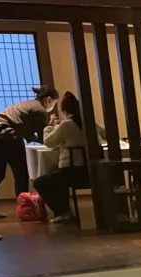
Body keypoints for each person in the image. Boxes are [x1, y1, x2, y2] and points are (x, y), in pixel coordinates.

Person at [0, 85, 58, 219]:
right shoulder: (40, 110)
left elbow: (28, 134)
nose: (53, 106)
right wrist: (51, 126)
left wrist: (42, 133)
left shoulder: (28, 105)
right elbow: (44, 138)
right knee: (21, 173)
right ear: (49, 100)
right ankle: (24, 208)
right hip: (9, 136)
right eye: (54, 103)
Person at [33, 92, 105, 223]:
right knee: (54, 173)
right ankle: (65, 210)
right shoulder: (89, 122)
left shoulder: (67, 124)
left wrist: (49, 126)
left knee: (41, 181)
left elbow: (48, 142)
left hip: (72, 172)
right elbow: (104, 133)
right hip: (93, 170)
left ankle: (63, 211)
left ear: (65, 111)